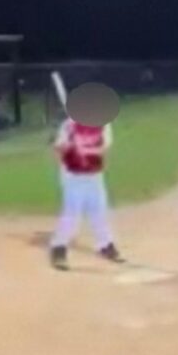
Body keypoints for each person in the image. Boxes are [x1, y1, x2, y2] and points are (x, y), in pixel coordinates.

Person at [49, 114, 124, 271]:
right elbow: (58, 148)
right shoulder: (69, 125)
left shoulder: (103, 126)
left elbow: (104, 148)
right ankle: (59, 247)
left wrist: (86, 148)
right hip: (72, 175)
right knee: (72, 211)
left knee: (99, 209)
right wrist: (69, 146)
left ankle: (105, 245)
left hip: (94, 174)